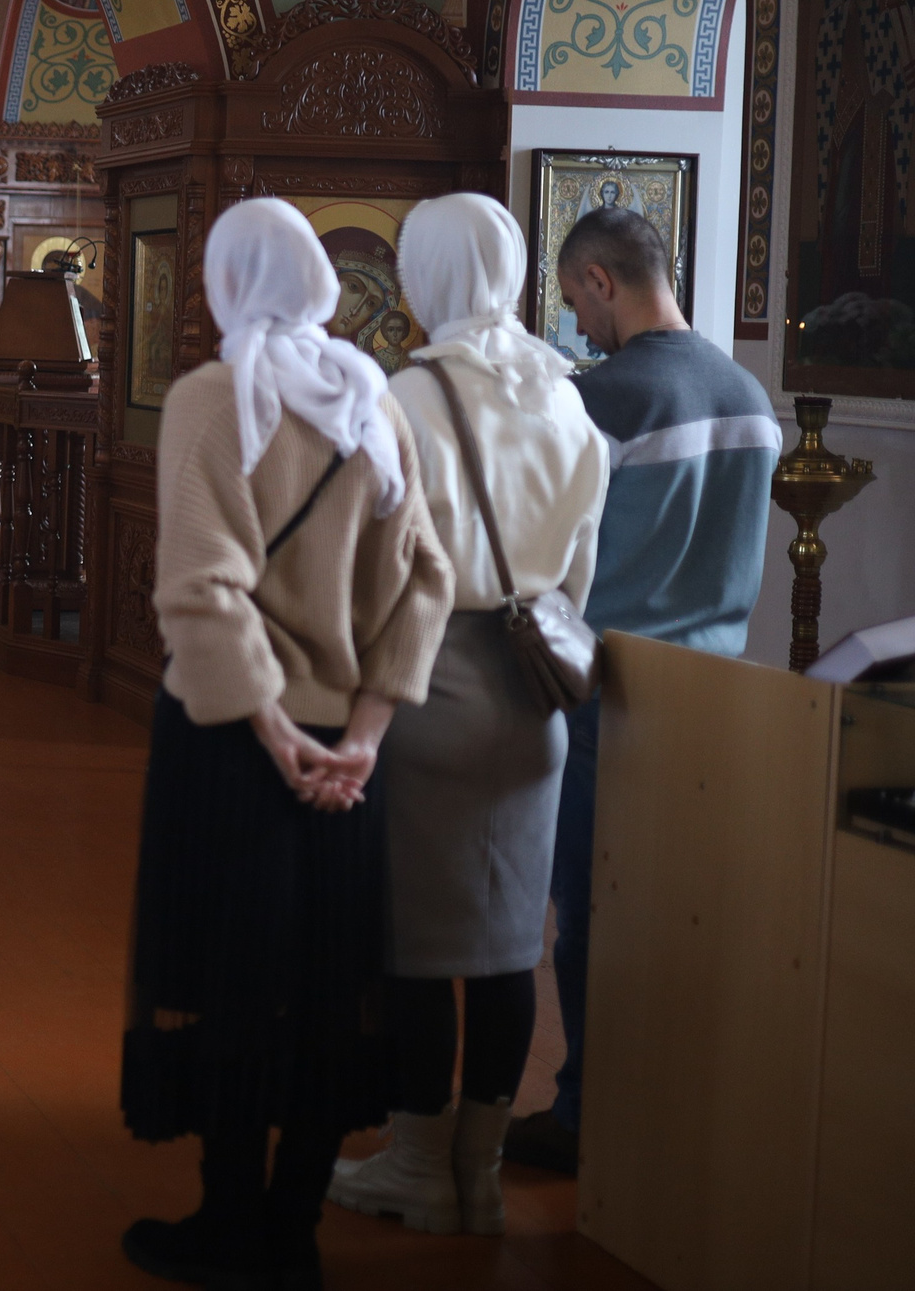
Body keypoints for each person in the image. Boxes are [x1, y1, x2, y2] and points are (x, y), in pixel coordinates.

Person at [120, 197, 452, 1290]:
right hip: (349, 754)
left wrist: (272, 735)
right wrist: (356, 738)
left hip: (232, 742)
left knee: (230, 975)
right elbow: (426, 580)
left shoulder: (218, 398)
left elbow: (202, 589)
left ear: (222, 281)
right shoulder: (370, 397)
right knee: (324, 985)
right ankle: (293, 1230)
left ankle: (227, 1225)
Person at [326, 194, 608, 1237]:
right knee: (500, 947)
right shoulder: (565, 396)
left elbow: (370, 561)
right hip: (534, 694)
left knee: (410, 943)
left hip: (425, 682)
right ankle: (478, 1174)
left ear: (428, 275)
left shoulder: (409, 394)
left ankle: (413, 1166)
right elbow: (578, 571)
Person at [504, 205, 780, 1177]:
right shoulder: (749, 393)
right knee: (680, 909)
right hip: (716, 687)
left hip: (608, 688)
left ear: (597, 281)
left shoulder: (603, 397)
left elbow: (546, 549)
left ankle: (586, 1114)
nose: (578, 325)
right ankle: (674, 1104)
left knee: (590, 911)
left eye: (577, 300)